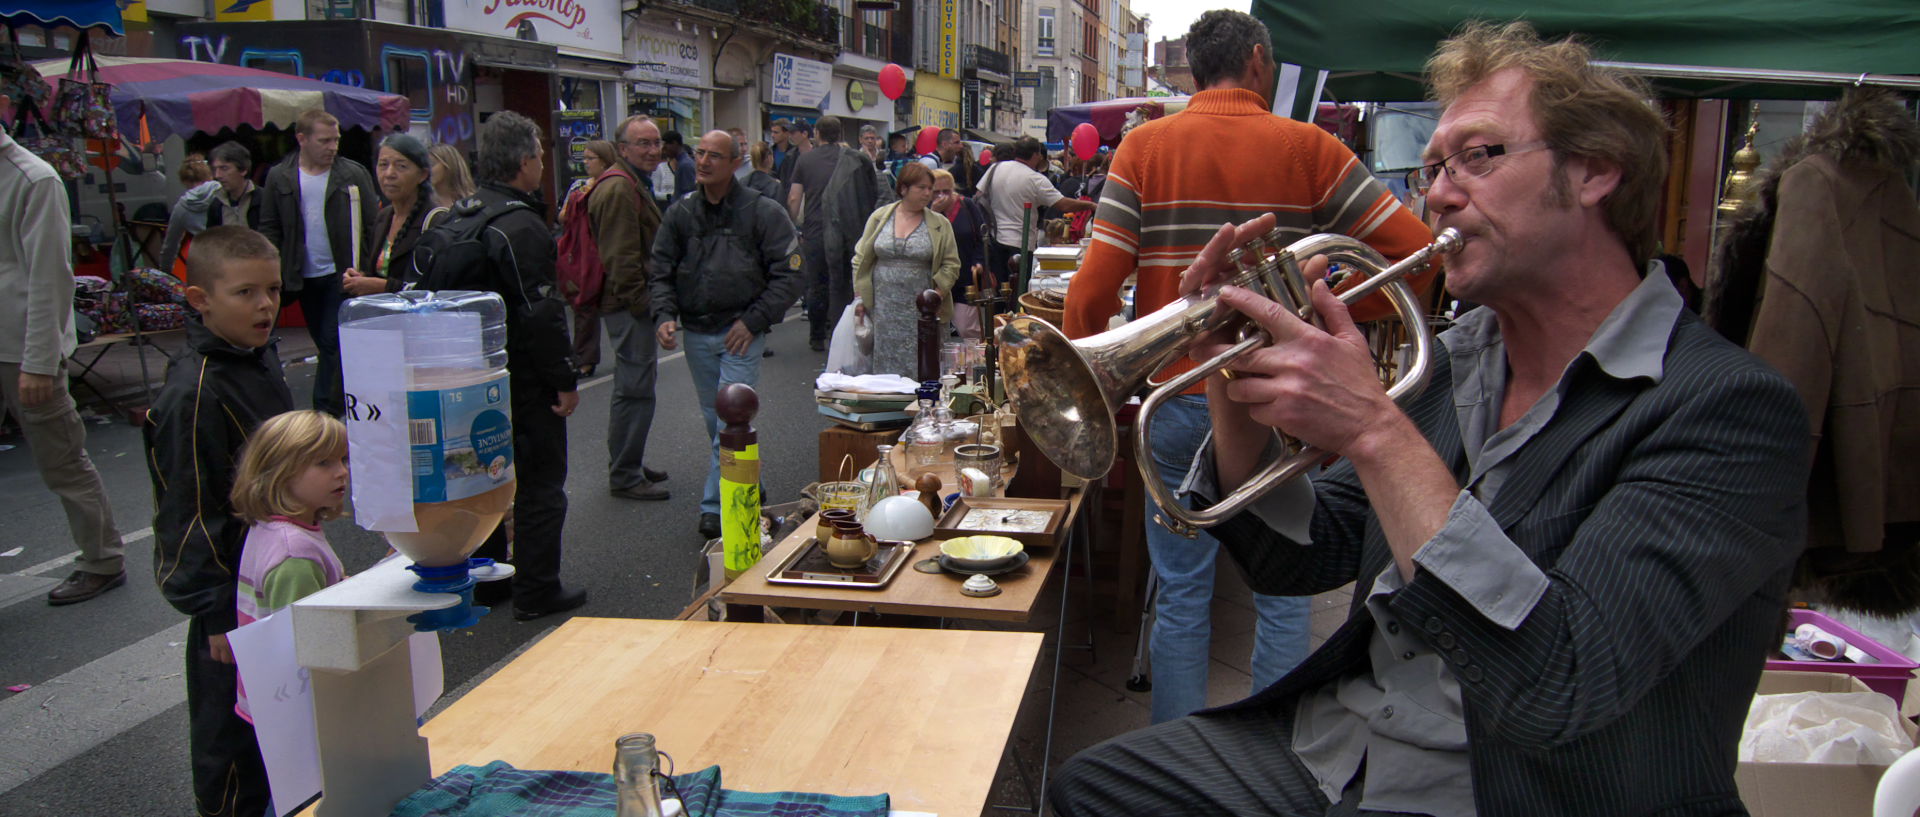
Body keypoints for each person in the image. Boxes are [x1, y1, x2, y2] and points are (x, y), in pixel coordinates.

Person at [1049, 21, 1811, 817]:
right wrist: (1234, 376)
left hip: (1515, 791)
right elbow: (1298, 559)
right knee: (1093, 788)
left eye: (1477, 157)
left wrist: (1375, 431)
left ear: (1594, 172)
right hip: (1343, 748)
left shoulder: (1730, 411)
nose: (1437, 191)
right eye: (1434, 166)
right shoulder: (1458, 357)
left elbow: (1557, 683)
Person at [1063, 8, 1440, 727]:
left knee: (1180, 591)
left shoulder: (1143, 146)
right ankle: (1276, 759)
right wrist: (1320, 312)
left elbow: (1089, 294)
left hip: (1172, 399)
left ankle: (1172, 764)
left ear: (1195, 70)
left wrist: (1111, 390)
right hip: (1287, 399)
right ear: (1260, 63)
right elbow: (1419, 260)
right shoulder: (1311, 148)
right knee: (1284, 591)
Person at [145, 225, 294, 817]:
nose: (264, 305)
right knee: (230, 742)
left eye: (274, 290)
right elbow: (187, 511)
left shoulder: (255, 357)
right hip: (231, 598)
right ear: (199, 299)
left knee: (283, 725)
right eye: (246, 293)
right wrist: (213, 613)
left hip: (277, 571)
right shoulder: (196, 391)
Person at [416, 110, 587, 621]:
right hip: (522, 379)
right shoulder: (519, 224)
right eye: (538, 153)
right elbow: (540, 311)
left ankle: (490, 578)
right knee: (539, 485)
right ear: (523, 161)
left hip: (468, 378)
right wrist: (564, 378)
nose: (541, 163)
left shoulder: (458, 216)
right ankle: (537, 588)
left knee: (485, 481)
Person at [0, 91, 127, 606]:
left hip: (21, 346)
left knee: (62, 460)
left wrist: (38, 361)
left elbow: (49, 280)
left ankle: (101, 558)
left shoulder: (33, 179)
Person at [651, 130, 802, 540]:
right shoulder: (681, 213)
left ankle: (717, 507)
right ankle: (748, 480)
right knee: (713, 420)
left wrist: (753, 321)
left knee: (726, 420)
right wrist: (664, 313)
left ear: (735, 163)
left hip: (741, 332)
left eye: (714, 156)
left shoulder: (763, 211)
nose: (702, 162)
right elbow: (661, 267)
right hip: (697, 333)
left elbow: (791, 273)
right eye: (699, 153)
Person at [257, 108, 378, 417]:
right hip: (301, 273)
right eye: (324, 141)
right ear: (302, 139)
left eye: (336, 140)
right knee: (325, 343)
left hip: (342, 271)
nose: (332, 147)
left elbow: (372, 224)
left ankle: (325, 409)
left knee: (332, 341)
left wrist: (364, 266)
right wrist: (273, 266)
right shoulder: (279, 176)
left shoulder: (351, 173)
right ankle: (338, 404)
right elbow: (269, 225)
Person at [230, 409, 348, 724]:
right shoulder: (294, 554)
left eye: (342, 460)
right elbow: (310, 642)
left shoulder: (273, 527)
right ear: (280, 473)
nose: (341, 472)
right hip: (301, 707)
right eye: (324, 463)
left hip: (273, 696)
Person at [601, 116, 670, 502]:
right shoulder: (619, 188)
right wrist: (648, 308)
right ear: (622, 148)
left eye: (655, 142)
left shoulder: (631, 183)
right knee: (634, 389)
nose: (652, 150)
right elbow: (622, 260)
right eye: (642, 143)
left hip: (630, 302)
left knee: (635, 387)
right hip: (628, 305)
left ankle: (628, 462)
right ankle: (625, 474)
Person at [852, 162, 960, 378]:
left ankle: (924, 403)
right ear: (904, 188)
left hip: (922, 308)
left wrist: (936, 296)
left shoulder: (939, 223)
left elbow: (952, 264)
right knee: (884, 360)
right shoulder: (880, 217)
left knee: (924, 362)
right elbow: (861, 257)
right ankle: (887, 404)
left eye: (930, 188)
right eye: (922, 187)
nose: (928, 193)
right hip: (883, 306)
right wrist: (860, 296)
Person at [787, 115, 880, 352]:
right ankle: (845, 331)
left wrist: (793, 227)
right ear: (839, 134)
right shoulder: (853, 158)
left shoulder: (805, 160)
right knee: (846, 283)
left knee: (818, 283)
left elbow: (794, 198)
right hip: (850, 230)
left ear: (817, 133)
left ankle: (817, 335)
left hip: (816, 230)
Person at [977, 136, 1093, 282]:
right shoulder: (1035, 179)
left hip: (994, 239)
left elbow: (979, 195)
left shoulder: (996, 168)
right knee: (1018, 292)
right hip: (1020, 243)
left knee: (1000, 292)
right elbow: (1063, 204)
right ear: (1036, 155)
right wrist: (1090, 205)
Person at [554, 139, 620, 377]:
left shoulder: (612, 186)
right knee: (584, 304)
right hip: (582, 251)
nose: (585, 163)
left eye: (590, 158)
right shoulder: (580, 187)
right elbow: (562, 216)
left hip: (601, 251)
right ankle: (584, 357)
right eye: (585, 158)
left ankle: (605, 355)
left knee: (605, 305)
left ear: (604, 160)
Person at [343, 133, 438, 297]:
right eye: (383, 165)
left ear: (422, 175)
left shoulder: (435, 220)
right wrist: (361, 280)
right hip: (384, 316)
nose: (389, 174)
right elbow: (379, 274)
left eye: (401, 166)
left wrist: (383, 286)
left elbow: (436, 286)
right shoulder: (383, 217)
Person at [930, 168, 991, 340]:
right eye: (936, 192)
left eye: (946, 191)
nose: (942, 196)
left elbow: (982, 236)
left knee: (967, 328)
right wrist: (934, 211)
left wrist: (979, 262)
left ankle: (977, 363)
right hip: (936, 278)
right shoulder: (927, 211)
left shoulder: (967, 205)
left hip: (965, 278)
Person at [158, 152, 220, 273]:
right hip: (231, 253)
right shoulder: (222, 192)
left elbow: (170, 246)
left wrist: (165, 271)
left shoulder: (182, 207)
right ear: (208, 173)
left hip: (207, 260)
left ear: (184, 180)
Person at [918, 128, 981, 196]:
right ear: (945, 144)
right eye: (956, 142)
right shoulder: (930, 163)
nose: (961, 146)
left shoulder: (936, 162)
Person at [428, 143, 476, 208]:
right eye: (425, 165)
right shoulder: (424, 202)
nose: (427, 170)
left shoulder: (473, 200)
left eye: (431, 164)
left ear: (449, 165)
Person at [662, 130, 697, 198]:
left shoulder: (685, 165)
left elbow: (688, 195)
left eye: (666, 148)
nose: (664, 151)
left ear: (674, 143)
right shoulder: (682, 163)